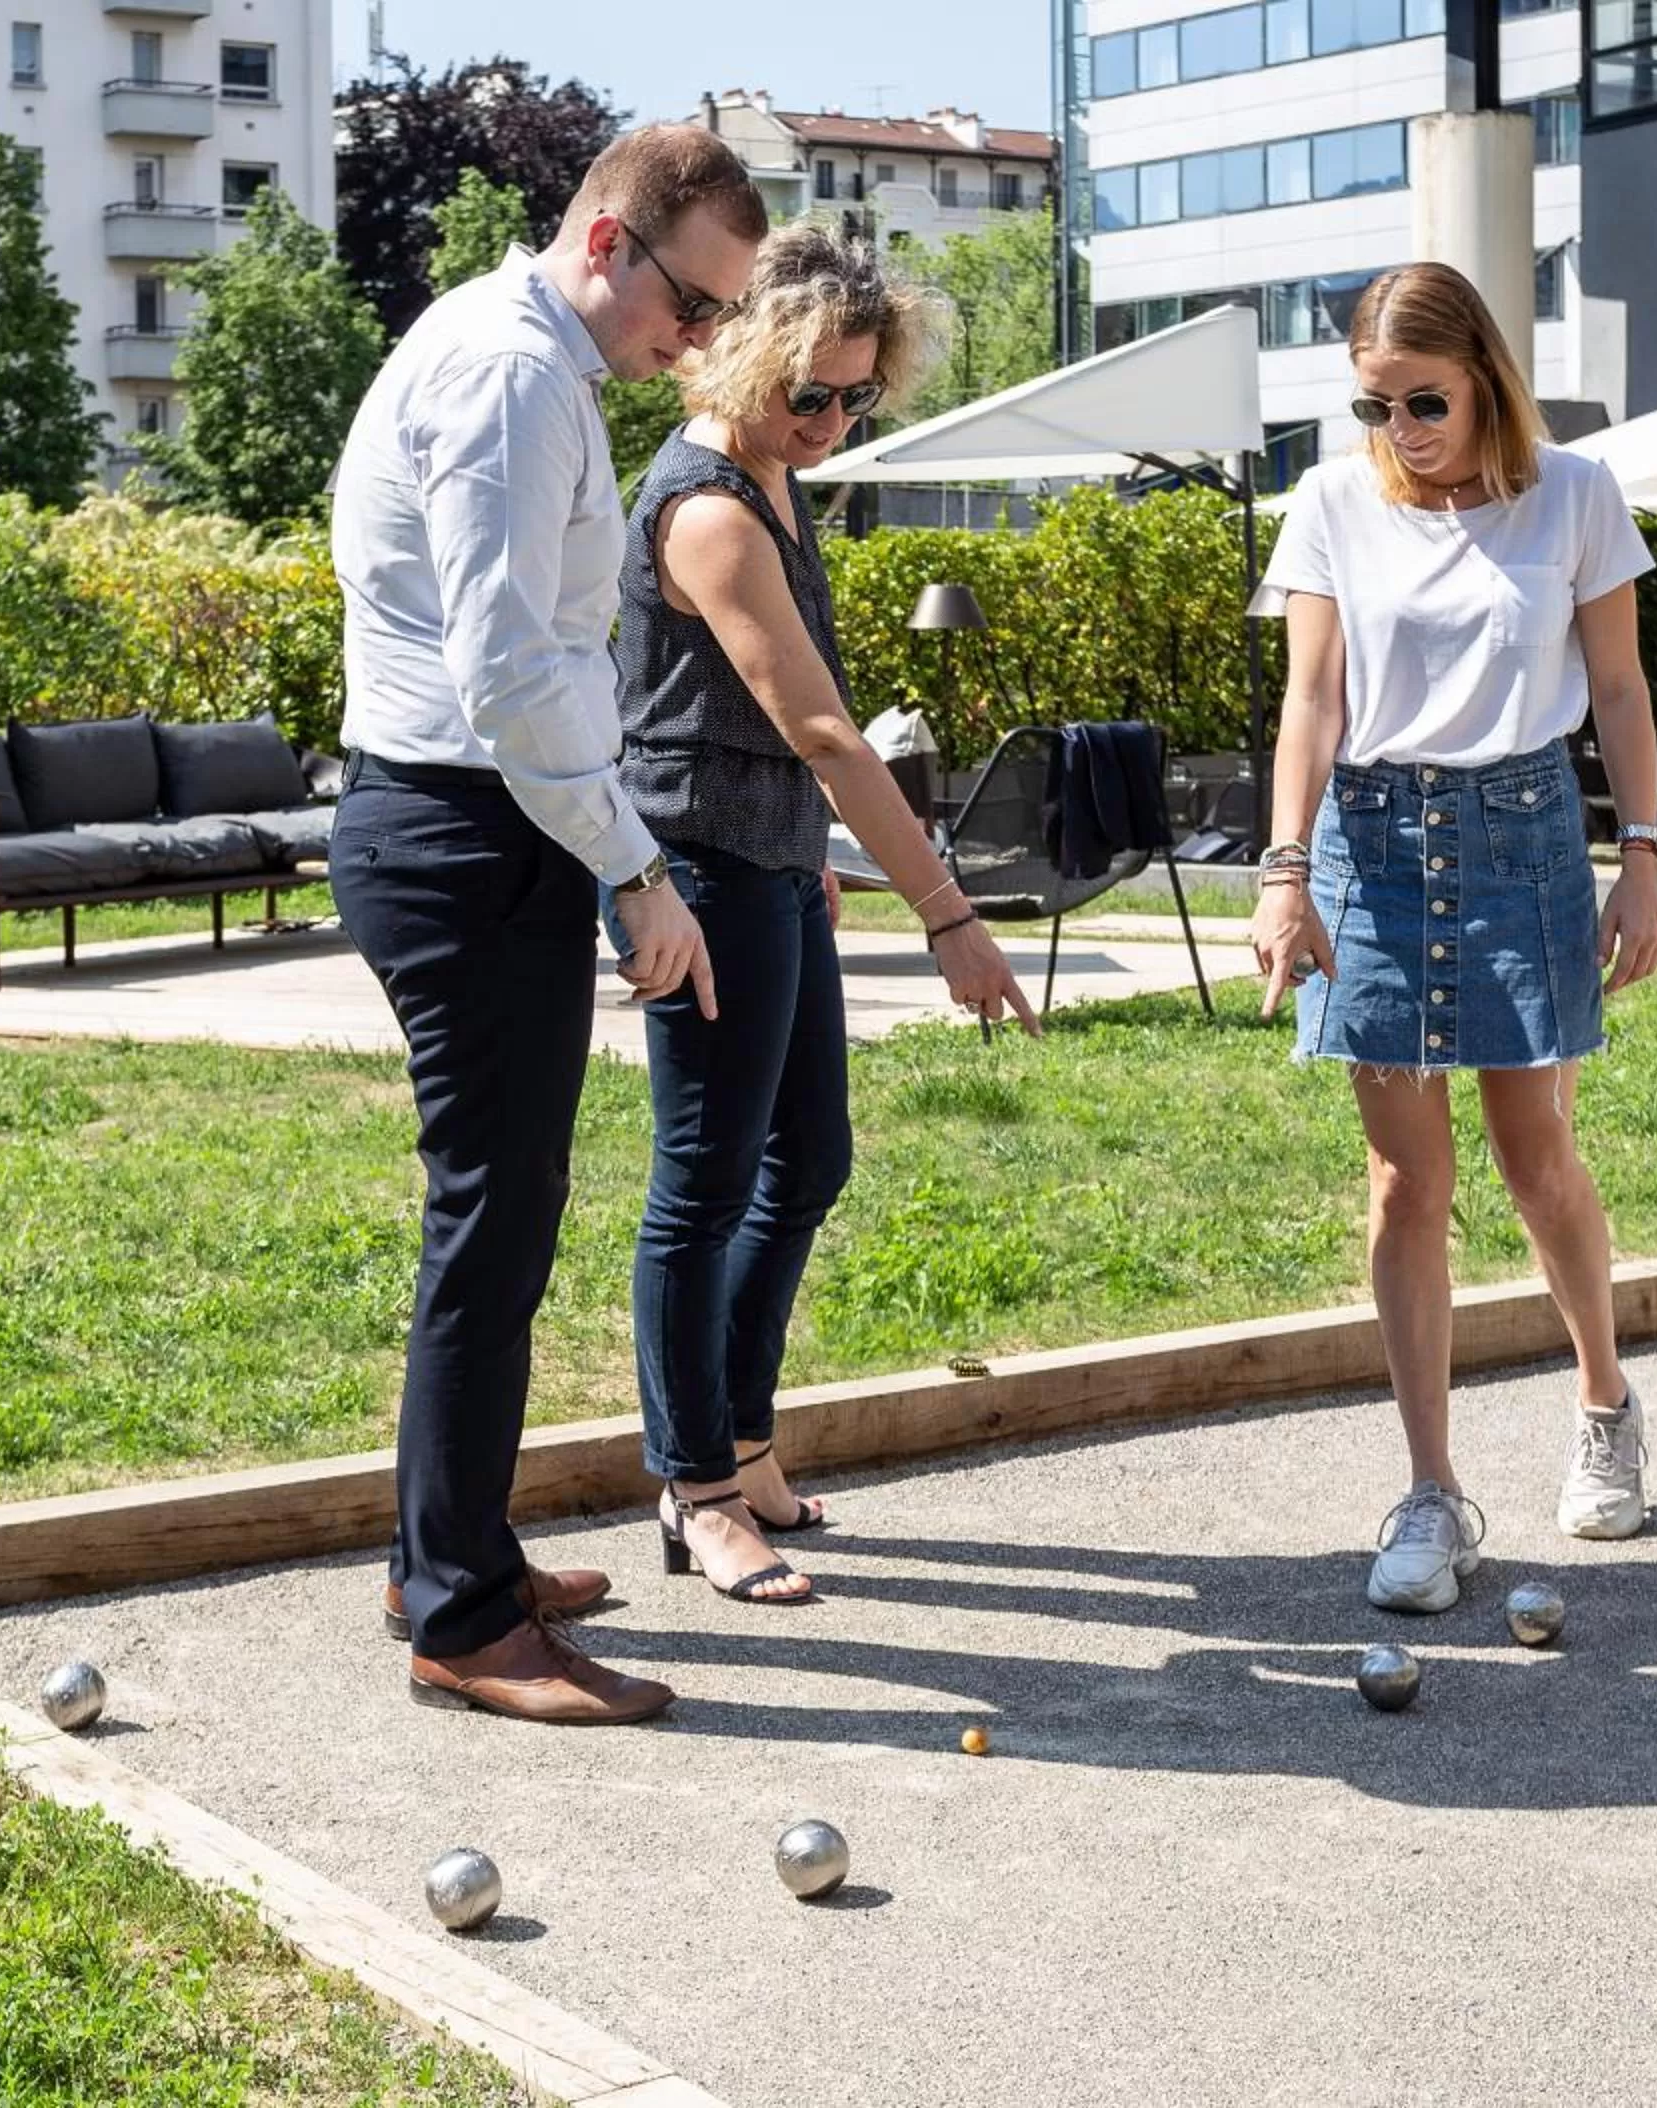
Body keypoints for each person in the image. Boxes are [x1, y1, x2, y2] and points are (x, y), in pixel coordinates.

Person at [326, 127, 766, 1722]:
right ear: (605, 244)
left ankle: (453, 1554)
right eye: (696, 304)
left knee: (497, 1223)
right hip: (465, 831)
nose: (702, 343)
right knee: (495, 1228)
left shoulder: (513, 355)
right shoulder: (516, 377)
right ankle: (460, 1616)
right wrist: (633, 867)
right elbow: (514, 671)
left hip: (466, 819)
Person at [610, 224, 1039, 1606]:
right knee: (705, 1182)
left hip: (776, 864)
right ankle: (697, 1489)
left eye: (857, 398)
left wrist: (818, 868)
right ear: (741, 353)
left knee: (811, 1161)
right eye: (812, 395)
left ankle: (742, 1435)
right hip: (705, 873)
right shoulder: (714, 510)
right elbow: (822, 731)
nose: (833, 421)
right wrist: (948, 913)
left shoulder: (776, 483)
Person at [1247, 261, 1657, 1617]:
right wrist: (1282, 869)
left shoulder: (1577, 497)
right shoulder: (1331, 501)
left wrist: (1645, 859)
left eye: (1423, 402)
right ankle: (1434, 1488)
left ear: (1486, 376)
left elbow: (1616, 687)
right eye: (1373, 407)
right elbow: (1311, 699)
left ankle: (1603, 1397)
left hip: (1524, 835)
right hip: (1373, 846)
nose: (1399, 432)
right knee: (1400, 1184)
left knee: (1535, 1156)